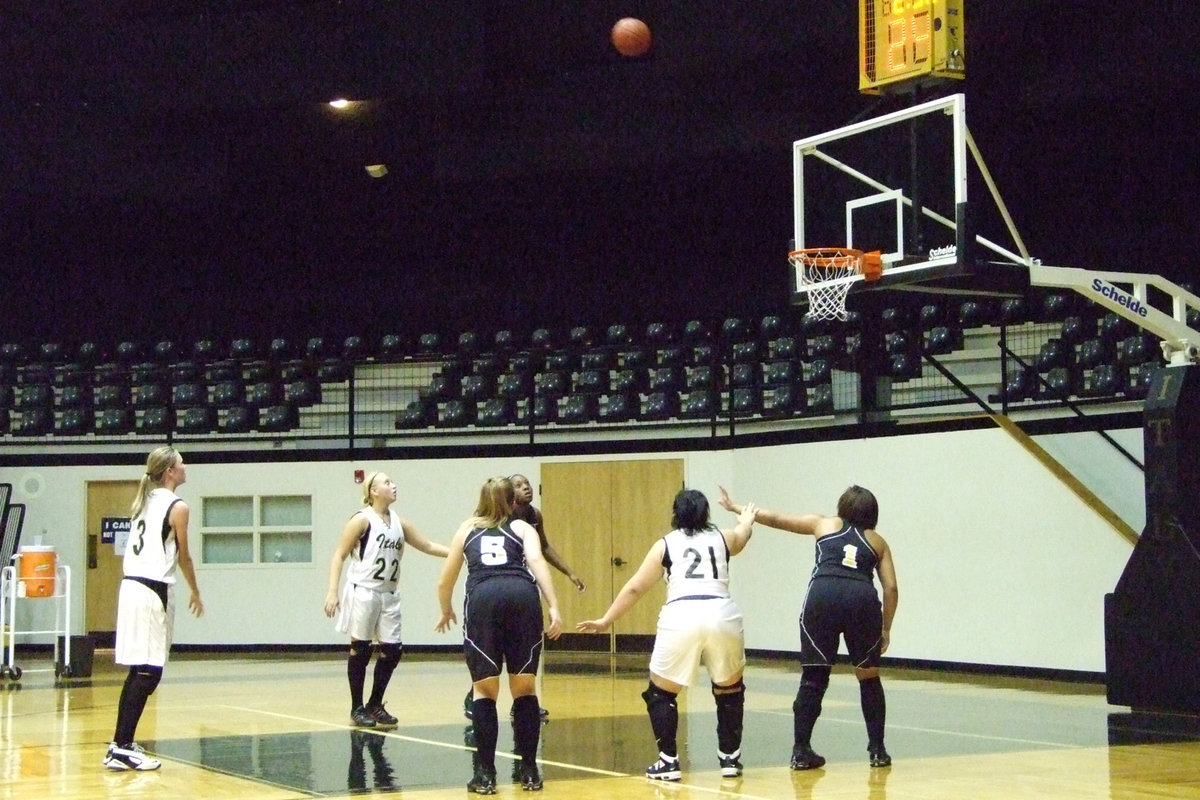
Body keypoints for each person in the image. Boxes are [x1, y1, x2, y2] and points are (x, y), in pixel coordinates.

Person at [577, 490, 758, 782]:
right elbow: (742, 535)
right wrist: (746, 518)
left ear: (675, 513)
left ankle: (668, 761)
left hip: (681, 615)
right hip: (722, 614)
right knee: (730, 690)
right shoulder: (722, 538)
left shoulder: (665, 544)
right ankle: (730, 759)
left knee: (661, 693)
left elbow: (635, 588)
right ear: (706, 513)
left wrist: (606, 620)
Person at [718, 484, 899, 769]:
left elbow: (777, 518)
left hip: (822, 598)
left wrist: (737, 508)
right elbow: (890, 588)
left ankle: (801, 750)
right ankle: (878, 751)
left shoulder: (823, 523)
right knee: (869, 677)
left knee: (813, 678)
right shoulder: (878, 541)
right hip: (862, 602)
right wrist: (886, 628)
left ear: (842, 507)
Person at [436, 476, 563, 794]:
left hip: (484, 600)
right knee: (524, 687)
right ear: (511, 502)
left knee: (485, 690)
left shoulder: (467, 529)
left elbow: (445, 581)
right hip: (522, 596)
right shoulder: (522, 528)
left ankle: (486, 775)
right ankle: (529, 772)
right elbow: (537, 562)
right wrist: (554, 606)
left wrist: (446, 610)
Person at [104, 446, 204, 771]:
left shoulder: (143, 500)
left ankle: (120, 743)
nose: (186, 466)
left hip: (132, 587)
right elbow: (185, 557)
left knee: (140, 669)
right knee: (149, 670)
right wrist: (196, 591)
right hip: (152, 589)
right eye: (181, 462)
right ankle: (121, 747)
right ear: (170, 471)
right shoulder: (178, 507)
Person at [324, 471, 449, 728]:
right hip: (364, 590)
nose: (394, 485)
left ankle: (375, 704)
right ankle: (356, 708)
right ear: (373, 491)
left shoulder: (399, 523)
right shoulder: (361, 520)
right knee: (361, 648)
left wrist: (458, 552)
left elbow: (426, 545)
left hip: (389, 593)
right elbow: (339, 555)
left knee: (393, 651)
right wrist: (332, 591)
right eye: (387, 482)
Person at [462, 472, 582, 721]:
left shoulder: (534, 516)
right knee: (490, 655)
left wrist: (569, 572)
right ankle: (476, 694)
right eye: (518, 485)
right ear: (509, 495)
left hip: (521, 586)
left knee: (522, 655)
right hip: (496, 584)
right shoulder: (496, 517)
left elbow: (543, 547)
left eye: (527, 483)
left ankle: (523, 703)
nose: (526, 487)